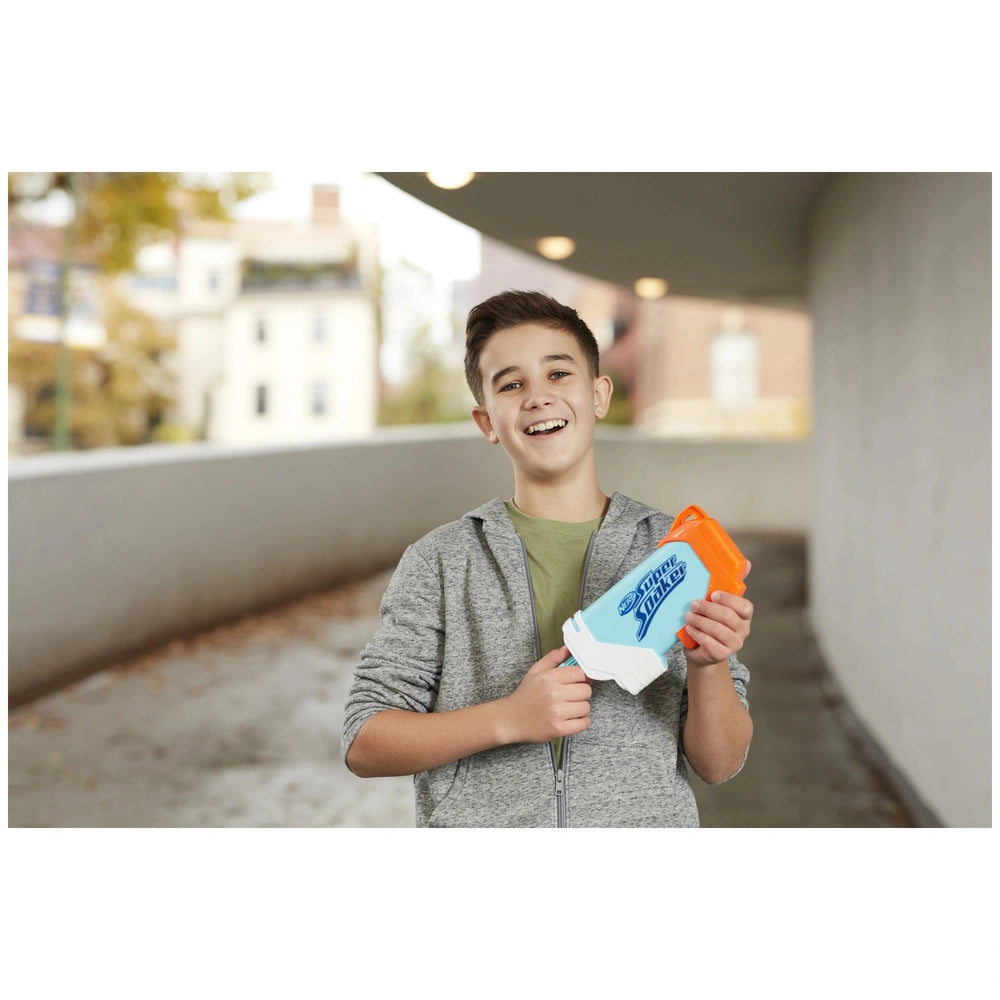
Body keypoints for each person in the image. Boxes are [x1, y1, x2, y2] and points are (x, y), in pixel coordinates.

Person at [341, 289, 753, 827]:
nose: (537, 397)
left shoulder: (674, 550)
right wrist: (508, 718)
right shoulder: (440, 562)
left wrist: (709, 664)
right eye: (511, 385)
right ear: (486, 421)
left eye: (558, 374)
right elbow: (365, 740)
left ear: (599, 394)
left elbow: (720, 764)